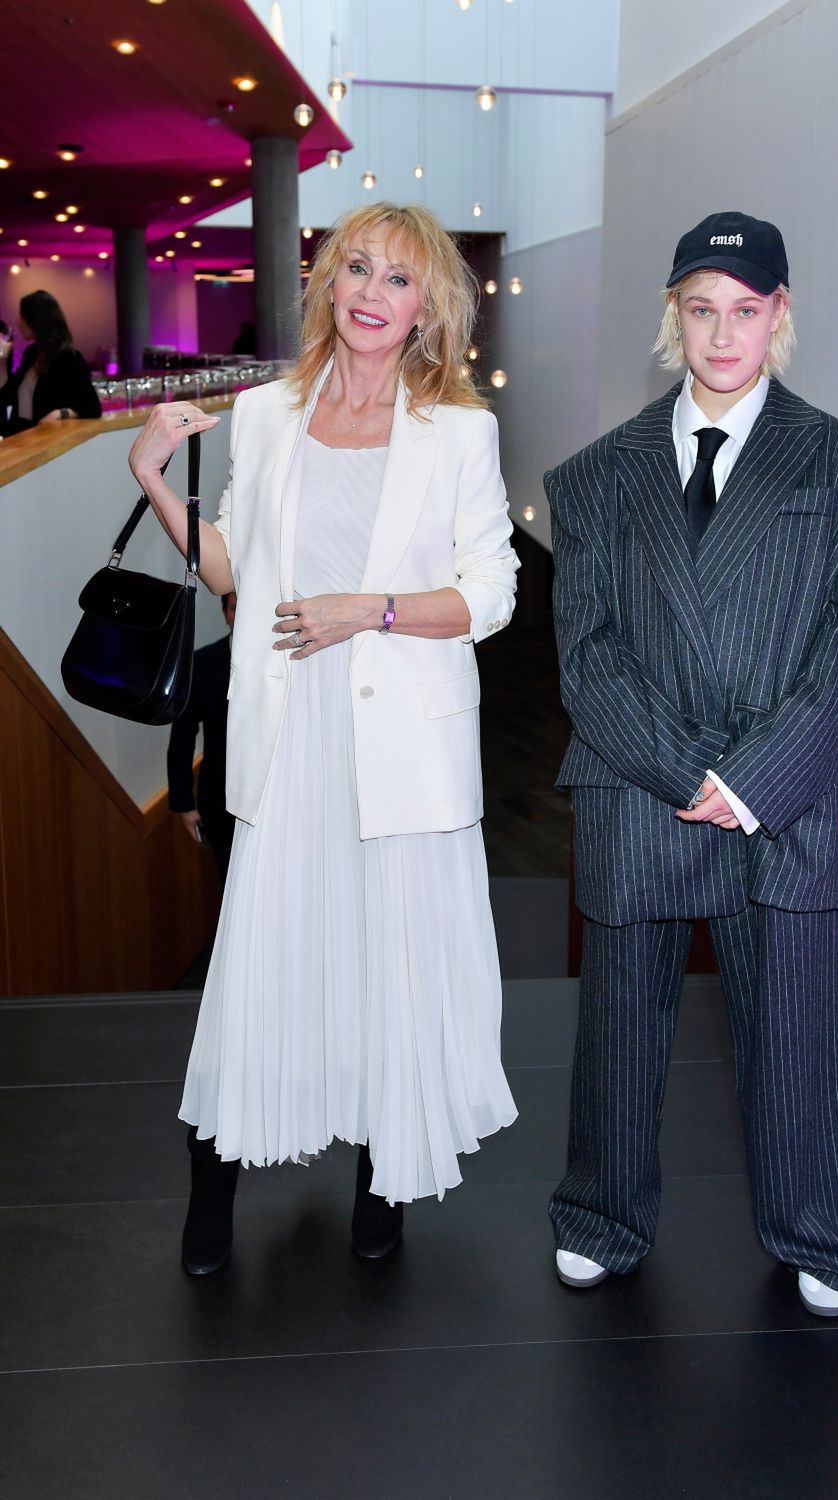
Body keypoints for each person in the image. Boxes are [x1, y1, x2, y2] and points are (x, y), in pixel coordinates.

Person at [128, 201, 519, 1276]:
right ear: (326, 284)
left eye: (398, 280)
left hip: (401, 748)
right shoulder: (265, 413)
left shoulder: (458, 432)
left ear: (428, 307)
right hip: (289, 740)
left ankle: (379, 1181)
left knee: (383, 967)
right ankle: (214, 1186)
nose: (370, 294)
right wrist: (156, 479)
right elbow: (233, 573)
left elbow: (493, 593)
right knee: (262, 964)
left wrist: (373, 609)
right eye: (356, 269)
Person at [546, 211, 838, 1317]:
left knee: (792, 1031)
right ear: (673, 318)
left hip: (775, 796)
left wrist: (750, 777)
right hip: (638, 780)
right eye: (700, 310)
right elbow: (584, 651)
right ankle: (601, 1215)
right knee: (618, 1023)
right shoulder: (596, 476)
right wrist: (680, 767)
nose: (722, 333)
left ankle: (816, 1234)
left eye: (744, 310)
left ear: (778, 316)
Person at [167, 591, 238, 883]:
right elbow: (182, 737)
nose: (243, 615)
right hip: (219, 803)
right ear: (225, 614)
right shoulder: (202, 663)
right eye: (235, 608)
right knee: (231, 888)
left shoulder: (290, 660)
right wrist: (184, 803)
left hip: (281, 802)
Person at [0, 290, 102, 435]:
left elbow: (92, 407)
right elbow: (6, 396)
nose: (18, 321)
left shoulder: (68, 358)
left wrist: (61, 413)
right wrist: (2, 360)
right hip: (19, 438)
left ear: (35, 321)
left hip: (44, 441)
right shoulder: (31, 353)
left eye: (22, 316)